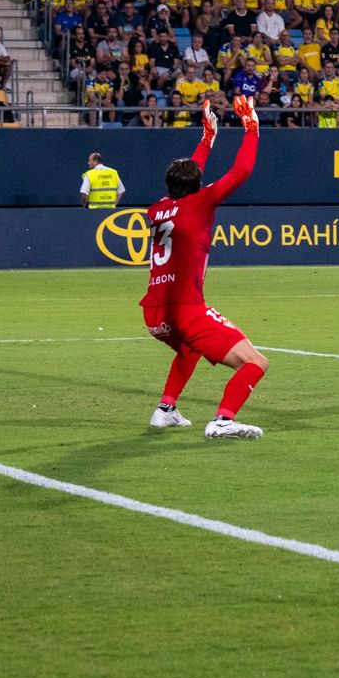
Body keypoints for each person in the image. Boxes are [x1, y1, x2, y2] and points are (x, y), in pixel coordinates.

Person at [141, 98, 269, 440]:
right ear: (196, 187)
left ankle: (166, 409)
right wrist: (251, 127)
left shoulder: (157, 209)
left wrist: (207, 140)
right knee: (256, 363)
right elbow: (240, 172)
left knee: (188, 348)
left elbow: (187, 180)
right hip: (186, 309)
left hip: (154, 313)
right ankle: (224, 419)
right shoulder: (201, 202)